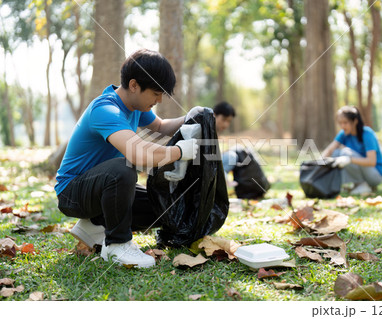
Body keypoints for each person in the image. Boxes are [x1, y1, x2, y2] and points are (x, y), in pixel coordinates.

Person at [55, 49, 204, 268]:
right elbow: (137, 153)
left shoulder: (134, 105)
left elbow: (160, 127)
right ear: (134, 85)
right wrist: (179, 152)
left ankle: (95, 224)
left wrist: (191, 117)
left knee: (163, 207)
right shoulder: (105, 109)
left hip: (99, 187)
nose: (159, 99)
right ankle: (117, 246)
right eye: (155, 93)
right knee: (123, 169)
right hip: (72, 193)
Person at [321, 105, 382, 195]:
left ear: (355, 121)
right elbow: (330, 150)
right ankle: (358, 184)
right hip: (362, 170)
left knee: (345, 153)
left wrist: (350, 159)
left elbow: (372, 161)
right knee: (335, 153)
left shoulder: (367, 134)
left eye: (345, 122)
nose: (342, 126)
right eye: (340, 123)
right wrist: (318, 164)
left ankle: (363, 185)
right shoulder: (344, 134)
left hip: (375, 175)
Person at [213, 101, 270, 199]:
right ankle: (219, 182)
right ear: (214, 115)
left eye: (229, 121)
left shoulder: (215, 132)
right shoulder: (206, 128)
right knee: (231, 156)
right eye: (223, 119)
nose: (226, 124)